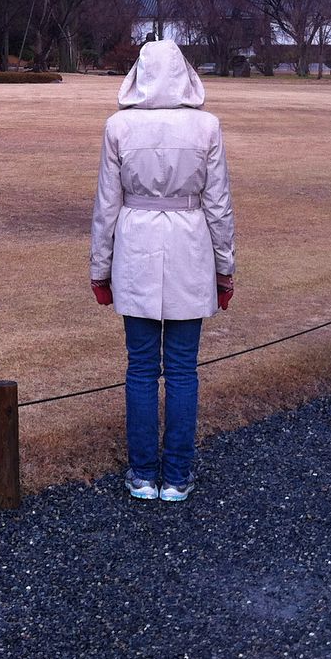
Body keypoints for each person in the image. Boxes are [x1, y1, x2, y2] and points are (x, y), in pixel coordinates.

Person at [90, 39, 235, 502]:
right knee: (181, 369)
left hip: (135, 245)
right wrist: (226, 268)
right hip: (190, 245)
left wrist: (100, 269)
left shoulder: (119, 126)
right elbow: (219, 206)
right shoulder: (206, 126)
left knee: (140, 368)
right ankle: (175, 475)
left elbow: (105, 207)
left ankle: (142, 474)